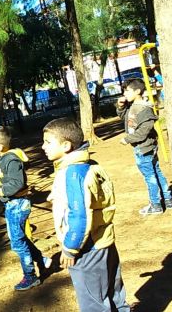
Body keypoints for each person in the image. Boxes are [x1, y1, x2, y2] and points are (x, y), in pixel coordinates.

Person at [42, 117, 129, 311]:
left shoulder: (73, 174)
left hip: (87, 249)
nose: (43, 147)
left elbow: (79, 214)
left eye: (48, 142)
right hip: (104, 241)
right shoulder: (89, 164)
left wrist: (70, 248)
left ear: (66, 146)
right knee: (114, 295)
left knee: (94, 304)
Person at [0, 127, 47, 291]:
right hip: (12, 204)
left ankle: (30, 276)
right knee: (20, 237)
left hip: (17, 204)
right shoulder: (2, 158)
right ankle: (41, 260)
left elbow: (17, 183)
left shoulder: (11, 160)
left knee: (17, 242)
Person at [116, 80, 172, 215]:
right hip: (142, 147)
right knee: (156, 172)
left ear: (137, 91)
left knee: (150, 176)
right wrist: (120, 107)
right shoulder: (133, 106)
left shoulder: (144, 109)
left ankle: (156, 205)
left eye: (127, 91)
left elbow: (144, 131)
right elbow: (126, 118)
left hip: (144, 148)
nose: (124, 94)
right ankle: (168, 200)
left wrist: (127, 139)